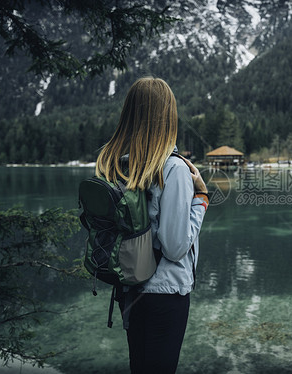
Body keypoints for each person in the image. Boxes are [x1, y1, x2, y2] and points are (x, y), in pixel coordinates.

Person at [95, 77, 209, 373]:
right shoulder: (173, 168)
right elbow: (175, 247)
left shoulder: (117, 164)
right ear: (168, 117)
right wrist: (202, 200)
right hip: (166, 294)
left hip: (130, 289)